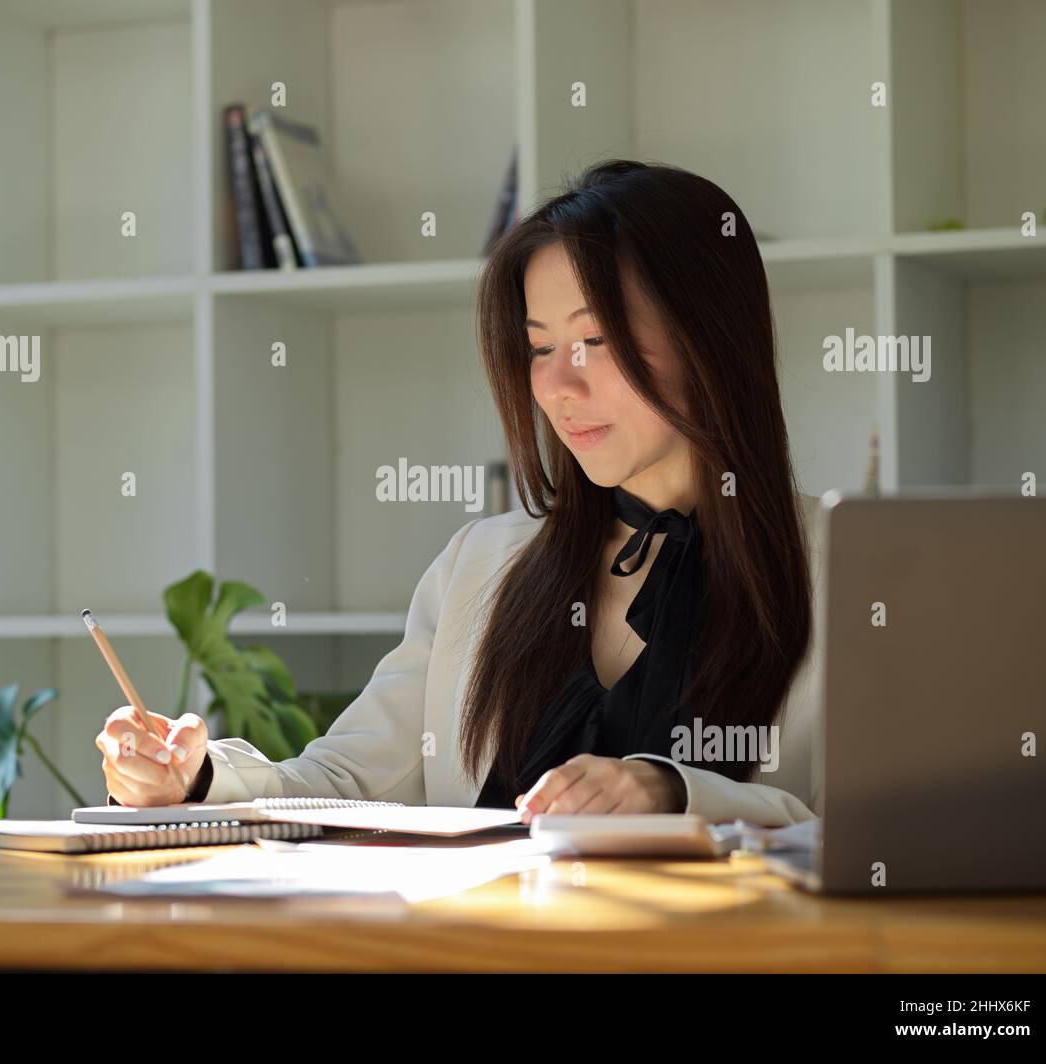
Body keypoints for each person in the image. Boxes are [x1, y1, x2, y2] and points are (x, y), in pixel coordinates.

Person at [96, 160, 821, 827]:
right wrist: (194, 780)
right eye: (539, 348)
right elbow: (346, 783)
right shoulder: (482, 563)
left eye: (595, 340)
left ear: (711, 337)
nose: (559, 387)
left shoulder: (849, 570)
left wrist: (674, 791)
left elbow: (892, 835)